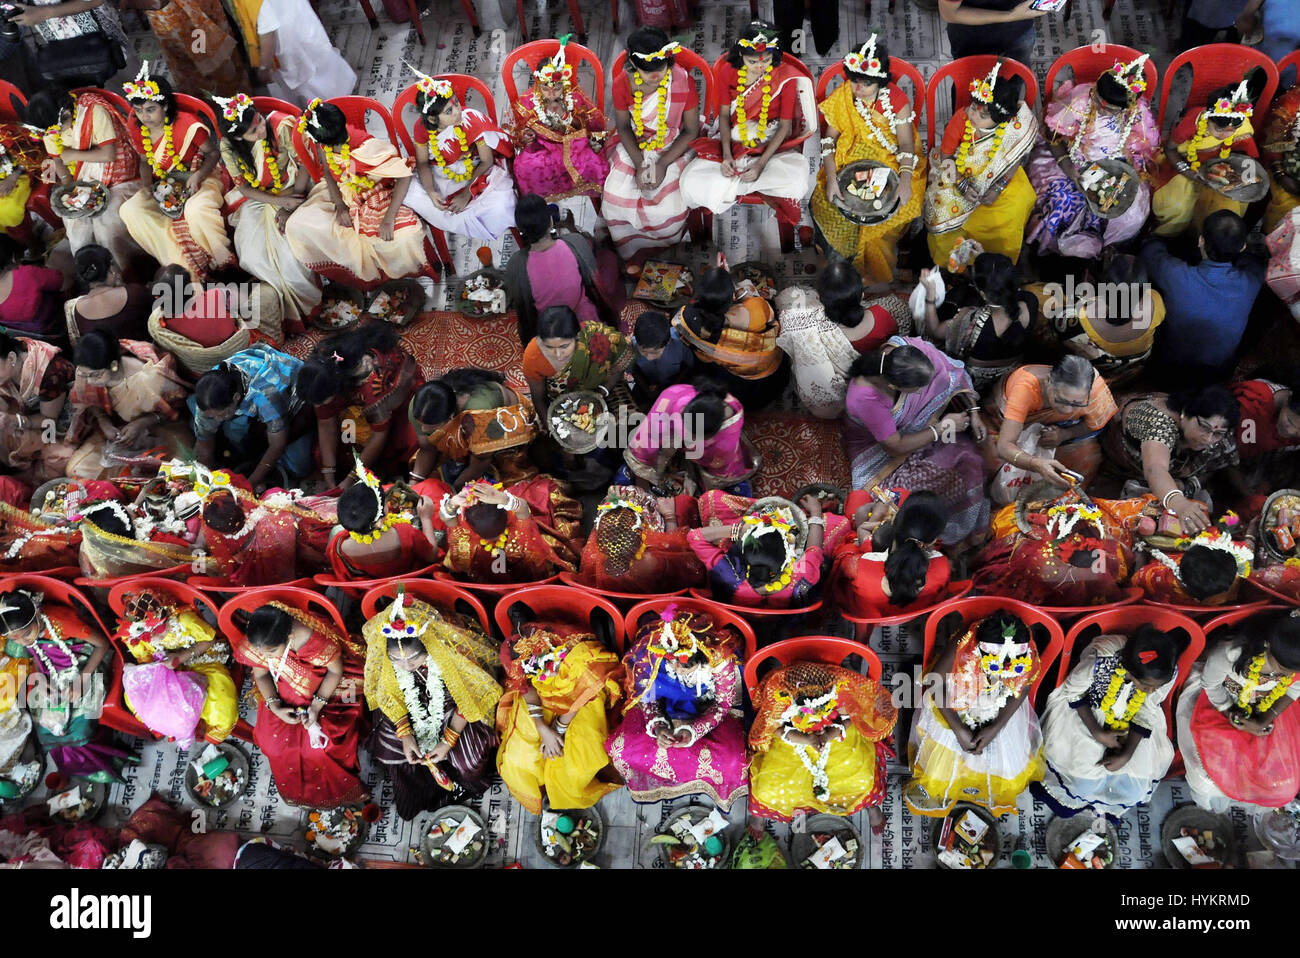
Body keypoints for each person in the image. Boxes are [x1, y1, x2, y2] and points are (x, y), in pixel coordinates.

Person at [361, 587, 501, 819]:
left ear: (428, 645)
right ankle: (421, 795)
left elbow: (471, 696)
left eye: (415, 659)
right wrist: (405, 735)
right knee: (389, 750)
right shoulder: (389, 659)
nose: (406, 666)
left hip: (455, 707)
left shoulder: (450, 650)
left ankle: (462, 786)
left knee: (468, 759)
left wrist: (449, 740)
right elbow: (388, 694)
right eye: (397, 660)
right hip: (407, 703)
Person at [844, 336, 988, 546]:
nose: (924, 391)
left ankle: (966, 528)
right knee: (909, 497)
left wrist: (974, 412)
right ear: (894, 386)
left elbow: (951, 374)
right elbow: (895, 447)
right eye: (918, 389)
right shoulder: (865, 398)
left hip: (922, 430)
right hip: (881, 454)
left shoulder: (909, 352)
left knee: (970, 458)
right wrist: (941, 429)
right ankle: (940, 535)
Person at [606, 604, 747, 809]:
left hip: (707, 709)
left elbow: (723, 704)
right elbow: (648, 695)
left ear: (703, 658)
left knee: (731, 761)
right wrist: (658, 726)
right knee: (621, 750)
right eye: (673, 663)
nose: (676, 669)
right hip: (665, 705)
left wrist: (693, 731)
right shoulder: (652, 652)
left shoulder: (720, 661)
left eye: (685, 666)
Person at [905, 611, 1044, 816]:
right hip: (952, 706)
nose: (998, 674)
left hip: (1000, 708)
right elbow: (935, 683)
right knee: (940, 766)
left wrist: (996, 727)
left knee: (1008, 765)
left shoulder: (1021, 652)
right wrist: (959, 730)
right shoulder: (965, 645)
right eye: (994, 667)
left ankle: (976, 789)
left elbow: (1023, 687)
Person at [231, 602, 367, 808]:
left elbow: (335, 672)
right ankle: (301, 795)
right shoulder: (262, 639)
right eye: (262, 652)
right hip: (283, 691)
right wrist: (274, 706)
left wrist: (316, 707)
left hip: (327, 689)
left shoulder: (317, 644)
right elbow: (261, 673)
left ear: (290, 638)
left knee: (319, 749)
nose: (265, 656)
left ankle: (338, 793)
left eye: (271, 652)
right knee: (272, 744)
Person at [495, 597, 624, 813]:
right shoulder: (520, 655)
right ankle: (544, 785)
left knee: (577, 763)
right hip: (543, 699)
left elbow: (586, 691)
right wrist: (542, 728)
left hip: (583, 700)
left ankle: (563, 790)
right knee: (518, 758)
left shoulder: (580, 656)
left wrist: (559, 727)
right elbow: (525, 687)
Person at [813, 34, 926, 282]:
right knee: (826, 204)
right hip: (850, 156)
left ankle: (874, 280)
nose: (858, 89)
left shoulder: (896, 101)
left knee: (878, 229)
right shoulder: (845, 95)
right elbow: (828, 140)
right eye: (854, 81)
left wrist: (905, 181)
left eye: (866, 84)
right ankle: (841, 276)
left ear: (880, 81)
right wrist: (832, 177)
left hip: (893, 161)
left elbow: (906, 143)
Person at [284, 99, 430, 288]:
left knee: (404, 237)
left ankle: (390, 277)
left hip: (378, 192)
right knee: (297, 226)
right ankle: (360, 282)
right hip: (341, 192)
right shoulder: (325, 144)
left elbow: (404, 174)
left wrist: (388, 218)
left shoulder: (365, 148)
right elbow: (327, 172)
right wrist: (340, 205)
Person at [1026, 55, 1160, 259]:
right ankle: (1066, 257)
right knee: (1061, 203)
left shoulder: (1137, 115)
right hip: (1071, 163)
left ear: (1128, 107)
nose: (1100, 107)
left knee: (1130, 210)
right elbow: (1052, 137)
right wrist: (1070, 170)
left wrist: (1118, 175)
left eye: (1110, 108)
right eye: (1098, 99)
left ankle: (1109, 251)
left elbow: (1139, 153)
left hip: (1115, 167)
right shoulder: (1079, 101)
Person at [678, 21, 812, 222]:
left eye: (766, 60)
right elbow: (723, 116)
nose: (760, 67)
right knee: (691, 182)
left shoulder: (785, 76)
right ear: (741, 55)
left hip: (772, 142)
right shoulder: (727, 72)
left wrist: (760, 165)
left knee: (796, 181)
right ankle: (743, 180)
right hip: (733, 138)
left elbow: (785, 126)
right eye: (752, 62)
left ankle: (733, 185)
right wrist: (725, 155)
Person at [1041, 625, 1179, 818]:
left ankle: (1105, 808)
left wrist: (1127, 752)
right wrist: (1097, 732)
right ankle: (1074, 800)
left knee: (1135, 783)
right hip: (1085, 710)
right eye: (1146, 686)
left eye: (1157, 687)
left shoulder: (1165, 672)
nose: (1151, 691)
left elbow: (1148, 709)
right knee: (1082, 778)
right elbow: (1073, 692)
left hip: (1133, 719)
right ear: (1130, 671)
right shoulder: (1100, 660)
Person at [213, 93, 320, 334]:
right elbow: (243, 187)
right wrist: (276, 201)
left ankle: (312, 306)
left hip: (297, 186)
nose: (261, 129)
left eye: (259, 120)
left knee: (291, 259)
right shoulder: (229, 147)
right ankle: (284, 315)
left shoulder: (281, 125)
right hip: (263, 197)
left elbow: (306, 163)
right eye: (253, 130)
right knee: (251, 253)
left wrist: (287, 204)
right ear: (239, 137)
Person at [0, 587, 132, 782]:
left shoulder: (61, 623)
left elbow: (103, 644)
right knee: (48, 728)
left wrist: (81, 681)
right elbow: (37, 653)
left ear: (37, 613)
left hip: (86, 665)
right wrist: (43, 679)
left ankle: (103, 761)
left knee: (78, 728)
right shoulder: (26, 635)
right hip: (52, 672)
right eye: (14, 639)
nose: (22, 642)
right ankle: (89, 764)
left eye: (26, 634)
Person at [1176, 608, 1300, 812]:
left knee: (1281, 783)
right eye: (1281, 669)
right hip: (1219, 700)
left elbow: (1294, 689)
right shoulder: (1232, 654)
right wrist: (1233, 715)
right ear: (1268, 646)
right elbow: (1211, 686)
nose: (1284, 675)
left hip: (1269, 706)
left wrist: (1264, 720)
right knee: (1206, 779)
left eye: (1291, 673)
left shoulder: (1293, 665)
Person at [119, 64, 234, 282]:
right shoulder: (137, 126)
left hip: (202, 178)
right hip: (164, 185)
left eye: (151, 109)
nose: (144, 116)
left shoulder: (187, 125)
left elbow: (213, 154)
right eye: (139, 110)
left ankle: (223, 263)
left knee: (196, 210)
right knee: (130, 210)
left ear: (165, 107)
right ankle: (179, 262)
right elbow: (144, 161)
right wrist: (146, 188)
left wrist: (198, 176)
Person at [748, 658, 898, 826]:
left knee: (862, 780)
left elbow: (850, 718)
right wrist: (806, 739)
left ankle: (870, 804)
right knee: (767, 790)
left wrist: (828, 735)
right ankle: (759, 813)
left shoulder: (839, 691)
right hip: (792, 739)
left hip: (835, 736)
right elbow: (774, 727)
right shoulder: (780, 696)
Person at [924, 59, 1038, 265]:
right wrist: (961, 183)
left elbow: (1015, 158)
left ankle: (995, 267)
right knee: (941, 211)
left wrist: (999, 187)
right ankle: (955, 265)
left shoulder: (1014, 125)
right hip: (957, 169)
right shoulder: (961, 120)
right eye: (973, 108)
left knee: (1014, 208)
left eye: (983, 115)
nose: (974, 116)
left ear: (1000, 118)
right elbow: (946, 155)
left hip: (1002, 174)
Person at [604, 28, 699, 265]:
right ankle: (634, 259)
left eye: (661, 69)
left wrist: (663, 164)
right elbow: (624, 127)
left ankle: (665, 257)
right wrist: (639, 165)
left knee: (666, 208)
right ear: (633, 67)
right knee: (615, 200)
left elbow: (691, 131)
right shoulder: (621, 84)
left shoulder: (682, 81)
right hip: (635, 142)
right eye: (647, 72)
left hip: (675, 143)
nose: (655, 76)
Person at [1141, 211, 1265, 387]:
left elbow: (1150, 251)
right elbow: (1254, 263)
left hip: (1169, 362)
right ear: (1243, 247)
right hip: (1217, 370)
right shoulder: (1252, 281)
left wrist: (1160, 233)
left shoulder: (1177, 276)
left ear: (1201, 240)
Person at [22, 86, 141, 269]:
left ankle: (121, 271)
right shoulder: (51, 128)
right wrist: (72, 191)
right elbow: (60, 163)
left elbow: (109, 154)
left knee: (106, 227)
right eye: (52, 131)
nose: (57, 133)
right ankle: (91, 271)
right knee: (76, 223)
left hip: (119, 174)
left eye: (60, 126)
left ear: (67, 111)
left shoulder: (93, 111)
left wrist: (73, 155)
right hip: (84, 176)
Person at [974, 486, 1148, 607]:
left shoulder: (1028, 554)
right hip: (1083, 615)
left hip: (1024, 608)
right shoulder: (1108, 559)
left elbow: (986, 563)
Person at [1098, 386, 1240, 534]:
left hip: (1167, 476)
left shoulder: (1217, 439)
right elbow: (1155, 468)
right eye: (1204, 427)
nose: (1208, 438)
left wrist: (1187, 486)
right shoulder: (1157, 422)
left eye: (1217, 433)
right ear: (1186, 413)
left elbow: (1220, 463)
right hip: (1116, 464)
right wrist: (1178, 503)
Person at [774, 263, 907, 418]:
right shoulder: (885, 316)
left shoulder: (813, 326)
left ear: (820, 301)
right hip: (872, 371)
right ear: (862, 296)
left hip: (840, 378)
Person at [296, 323, 424, 484]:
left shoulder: (373, 388)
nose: (320, 407)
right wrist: (329, 475)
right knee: (333, 449)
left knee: (401, 445)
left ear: (337, 388)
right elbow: (326, 423)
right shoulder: (323, 362)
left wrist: (350, 480)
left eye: (323, 402)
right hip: (351, 392)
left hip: (398, 401)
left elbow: (379, 435)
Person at [111, 587, 238, 746]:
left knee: (220, 706)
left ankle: (203, 729)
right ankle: (174, 726)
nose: (152, 639)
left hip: (202, 660)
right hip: (166, 668)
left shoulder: (184, 622)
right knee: (134, 699)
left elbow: (209, 641)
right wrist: (157, 669)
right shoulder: (133, 634)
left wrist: (180, 658)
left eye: (154, 633)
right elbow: (144, 659)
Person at [406, 67, 516, 243]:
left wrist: (467, 194)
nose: (458, 111)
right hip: (442, 173)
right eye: (449, 111)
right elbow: (422, 162)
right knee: (411, 194)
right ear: (433, 120)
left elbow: (487, 161)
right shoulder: (422, 129)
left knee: (501, 205)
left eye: (456, 103)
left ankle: (472, 216)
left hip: (475, 169)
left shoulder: (471, 118)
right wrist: (431, 191)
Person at [687, 492, 847, 609]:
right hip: (784, 622)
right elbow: (814, 548)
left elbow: (694, 536)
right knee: (842, 524)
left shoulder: (728, 572)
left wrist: (737, 530)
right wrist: (816, 512)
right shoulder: (800, 573)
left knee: (711, 498)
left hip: (737, 614)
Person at [1152, 71, 1264, 237]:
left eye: (1231, 131)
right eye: (1218, 129)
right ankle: (1170, 237)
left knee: (1229, 207)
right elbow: (1170, 149)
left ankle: (1205, 239)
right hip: (1187, 163)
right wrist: (1189, 172)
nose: (1225, 136)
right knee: (1175, 206)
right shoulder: (1192, 124)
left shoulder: (1242, 127)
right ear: (1208, 118)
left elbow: (1247, 156)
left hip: (1221, 168)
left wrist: (1235, 175)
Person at [190, 345, 315, 491]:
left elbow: (277, 445)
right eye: (214, 415)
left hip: (293, 396)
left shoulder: (264, 395)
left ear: (236, 398)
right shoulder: (208, 396)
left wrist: (249, 484)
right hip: (250, 401)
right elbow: (204, 442)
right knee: (225, 432)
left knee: (299, 466)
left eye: (222, 414)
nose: (218, 419)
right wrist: (206, 482)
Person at [66, 328, 187, 475]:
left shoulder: (147, 377)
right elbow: (89, 404)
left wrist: (142, 423)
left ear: (113, 366)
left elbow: (177, 410)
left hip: (161, 429)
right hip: (117, 432)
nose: (89, 381)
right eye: (84, 375)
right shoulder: (86, 373)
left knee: (174, 469)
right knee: (76, 470)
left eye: (95, 375)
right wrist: (104, 421)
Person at [506, 36, 610, 203]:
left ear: (565, 84)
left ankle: (604, 204)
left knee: (595, 161)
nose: (552, 93)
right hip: (542, 147)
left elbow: (594, 124)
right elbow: (518, 133)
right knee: (524, 166)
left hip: (575, 145)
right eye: (545, 88)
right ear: (538, 84)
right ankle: (539, 208)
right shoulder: (527, 102)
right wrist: (526, 136)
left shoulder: (574, 97)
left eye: (557, 88)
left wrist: (572, 120)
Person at [986, 355, 1117, 488]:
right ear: (1048, 381)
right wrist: (1035, 464)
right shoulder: (1026, 388)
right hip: (1002, 425)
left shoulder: (1096, 389)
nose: (1067, 410)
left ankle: (1067, 504)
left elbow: (1095, 424)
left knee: (1087, 456)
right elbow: (1004, 445)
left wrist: (1063, 434)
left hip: (1059, 432)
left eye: (1077, 403)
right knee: (990, 459)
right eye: (1061, 400)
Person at [506, 194, 617, 348]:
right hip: (586, 321)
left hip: (551, 330)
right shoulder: (575, 242)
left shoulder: (515, 264)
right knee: (608, 258)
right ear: (551, 221)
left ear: (520, 230)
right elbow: (593, 282)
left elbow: (522, 308)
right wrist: (571, 228)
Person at [671, 265, 787, 411]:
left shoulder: (688, 318)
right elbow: (771, 320)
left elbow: (680, 318)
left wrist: (716, 285)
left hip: (729, 378)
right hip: (767, 374)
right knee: (770, 305)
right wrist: (745, 292)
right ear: (732, 297)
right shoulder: (755, 309)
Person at [1046, 254, 1165, 387]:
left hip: (1095, 371)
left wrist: (1082, 298)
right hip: (1134, 368)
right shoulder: (1156, 301)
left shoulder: (1079, 318)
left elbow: (1056, 320)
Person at [921, 252, 1035, 390]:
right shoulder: (1030, 301)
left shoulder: (969, 321)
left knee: (925, 334)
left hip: (976, 384)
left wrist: (930, 296)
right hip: (1011, 375)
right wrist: (984, 259)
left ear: (982, 294)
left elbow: (933, 331)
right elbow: (1000, 283)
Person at [408, 369, 540, 490]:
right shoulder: (421, 408)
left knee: (506, 484)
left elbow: (481, 461)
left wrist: (453, 490)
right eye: (420, 424)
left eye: (431, 427)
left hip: (502, 425)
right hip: (467, 430)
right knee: (429, 482)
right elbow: (427, 448)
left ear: (451, 417)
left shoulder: (477, 415)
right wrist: (414, 483)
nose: (423, 429)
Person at [831, 490, 951, 622]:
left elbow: (840, 585)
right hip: (913, 612)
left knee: (859, 496)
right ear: (934, 540)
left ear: (893, 521)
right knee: (900, 492)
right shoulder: (943, 566)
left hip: (864, 614)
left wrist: (874, 517)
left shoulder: (857, 567)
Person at [622, 379, 759, 493]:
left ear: (710, 435)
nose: (686, 440)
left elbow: (717, 469)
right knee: (648, 443)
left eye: (692, 437)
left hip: (708, 445)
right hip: (676, 415)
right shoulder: (672, 398)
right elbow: (648, 438)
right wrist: (647, 472)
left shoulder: (724, 443)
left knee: (715, 476)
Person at [440, 479, 575, 584]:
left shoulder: (465, 544)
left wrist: (452, 503)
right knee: (540, 492)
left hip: (487, 594)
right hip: (530, 584)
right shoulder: (521, 538)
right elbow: (523, 508)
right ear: (508, 516)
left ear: (469, 527)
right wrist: (503, 498)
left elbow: (447, 518)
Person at [328, 459, 444, 580]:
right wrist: (426, 518)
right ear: (380, 520)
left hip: (373, 585)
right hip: (409, 579)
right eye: (385, 503)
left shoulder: (339, 545)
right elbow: (432, 556)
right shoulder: (405, 532)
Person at [576, 485, 704, 594]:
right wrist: (669, 516)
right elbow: (679, 553)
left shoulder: (592, 554)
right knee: (684, 505)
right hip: (660, 595)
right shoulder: (651, 557)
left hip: (613, 597)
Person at [521, 305, 632, 422]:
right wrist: (553, 428)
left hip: (602, 389)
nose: (558, 355)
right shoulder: (534, 355)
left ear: (577, 337)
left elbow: (621, 362)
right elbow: (539, 399)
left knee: (626, 423)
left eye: (564, 346)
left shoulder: (596, 338)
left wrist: (601, 393)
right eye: (549, 347)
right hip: (559, 402)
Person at [120, 0, 247, 97]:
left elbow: (157, 2)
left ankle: (226, 108)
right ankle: (233, 103)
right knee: (215, 62)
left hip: (184, 19)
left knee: (211, 65)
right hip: (188, 15)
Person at [0, 330, 76, 483]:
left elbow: (49, 421)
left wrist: (16, 421)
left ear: (11, 358)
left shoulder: (49, 372)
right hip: (28, 414)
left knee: (58, 459)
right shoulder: (8, 370)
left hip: (59, 421)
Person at [252, 0, 357, 105]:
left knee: (312, 84)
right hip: (298, 22)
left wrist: (264, 67)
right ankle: (344, 102)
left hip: (287, 37)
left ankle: (338, 106)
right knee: (320, 70)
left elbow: (267, 29)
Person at [1131, 528, 1252, 606]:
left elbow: (1135, 582)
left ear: (1181, 561)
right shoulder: (1232, 580)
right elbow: (1247, 550)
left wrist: (1140, 553)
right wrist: (1251, 532)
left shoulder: (1158, 578)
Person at [65, 245, 151, 343]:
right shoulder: (136, 293)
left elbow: (78, 345)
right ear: (111, 268)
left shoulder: (72, 310)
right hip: (150, 356)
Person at [938, 0, 1048, 65]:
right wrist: (1010, 16)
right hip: (972, 39)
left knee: (1012, 83)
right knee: (971, 92)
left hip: (1020, 32)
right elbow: (949, 14)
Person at [1260, 71, 1299, 234]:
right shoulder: (1291, 104)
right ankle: (1271, 242)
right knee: (1287, 207)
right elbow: (1271, 144)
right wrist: (1280, 175)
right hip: (1284, 168)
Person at [629, 309, 694, 402]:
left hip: (674, 385)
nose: (649, 357)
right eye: (643, 351)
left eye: (655, 352)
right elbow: (634, 369)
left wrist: (670, 389)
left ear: (668, 342)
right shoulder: (632, 346)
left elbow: (687, 368)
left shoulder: (681, 345)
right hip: (647, 384)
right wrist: (646, 389)